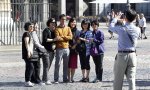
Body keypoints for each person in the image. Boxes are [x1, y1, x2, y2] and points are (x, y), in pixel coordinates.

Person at [109, 9, 140, 90]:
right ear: (134, 18)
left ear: (125, 17)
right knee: (131, 79)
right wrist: (125, 22)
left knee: (118, 80)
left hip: (122, 55)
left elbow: (111, 26)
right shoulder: (138, 29)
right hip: (133, 55)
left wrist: (116, 18)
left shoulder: (121, 29)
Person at [54, 14, 72, 83]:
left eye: (64, 19)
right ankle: (56, 79)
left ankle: (65, 78)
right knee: (57, 64)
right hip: (59, 48)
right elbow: (57, 38)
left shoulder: (68, 28)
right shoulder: (57, 28)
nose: (63, 21)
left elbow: (70, 37)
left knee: (66, 65)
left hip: (67, 48)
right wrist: (66, 37)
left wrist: (63, 36)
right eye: (62, 19)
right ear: (60, 20)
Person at [22, 22, 36, 87]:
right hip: (27, 53)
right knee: (30, 67)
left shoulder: (29, 34)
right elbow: (26, 43)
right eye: (30, 26)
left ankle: (27, 81)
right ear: (27, 27)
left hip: (29, 53)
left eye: (33, 26)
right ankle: (27, 81)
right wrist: (28, 52)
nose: (32, 27)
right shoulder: (26, 34)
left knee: (28, 67)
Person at [67, 18, 80, 83]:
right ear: (69, 23)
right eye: (72, 22)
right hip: (67, 49)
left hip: (75, 50)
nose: (73, 23)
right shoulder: (67, 29)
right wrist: (69, 45)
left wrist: (74, 45)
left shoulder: (77, 31)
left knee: (73, 65)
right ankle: (68, 78)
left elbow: (79, 40)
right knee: (68, 65)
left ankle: (72, 78)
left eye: (74, 22)